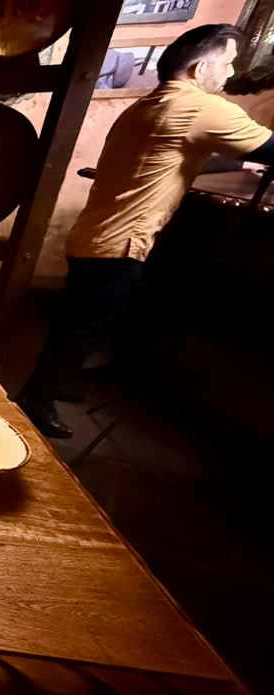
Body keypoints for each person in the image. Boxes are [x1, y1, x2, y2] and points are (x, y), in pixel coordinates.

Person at [16, 24, 274, 438]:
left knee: (73, 320)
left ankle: (51, 383)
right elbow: (268, 148)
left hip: (94, 232)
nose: (230, 73)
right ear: (199, 68)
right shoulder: (202, 108)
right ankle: (36, 400)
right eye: (227, 63)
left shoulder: (147, 104)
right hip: (120, 242)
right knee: (87, 326)